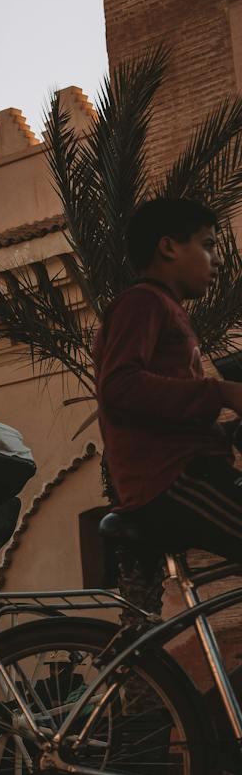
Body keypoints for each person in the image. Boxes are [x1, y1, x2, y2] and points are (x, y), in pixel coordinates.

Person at [94, 198, 242, 558]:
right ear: (168, 247)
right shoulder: (142, 303)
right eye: (208, 245)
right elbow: (119, 388)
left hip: (192, 470)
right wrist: (220, 392)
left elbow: (170, 415)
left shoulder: (166, 308)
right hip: (172, 478)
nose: (218, 260)